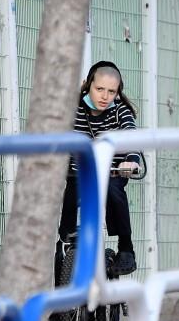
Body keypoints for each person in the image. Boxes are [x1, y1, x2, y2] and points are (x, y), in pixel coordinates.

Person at [56, 60, 141, 283]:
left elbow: (131, 135)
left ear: (117, 92)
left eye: (111, 91)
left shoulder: (120, 111)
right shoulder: (74, 109)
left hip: (111, 172)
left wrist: (130, 161)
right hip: (79, 172)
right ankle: (65, 255)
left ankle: (126, 247)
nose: (105, 96)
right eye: (99, 89)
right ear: (88, 85)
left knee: (115, 192)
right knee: (71, 194)